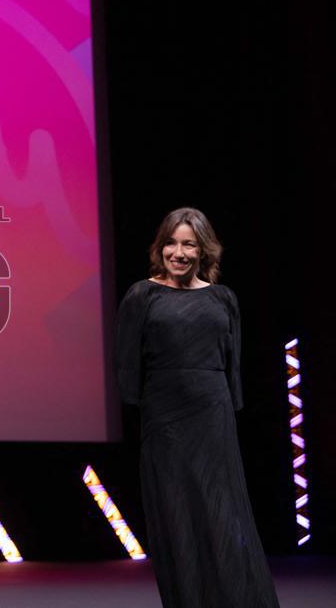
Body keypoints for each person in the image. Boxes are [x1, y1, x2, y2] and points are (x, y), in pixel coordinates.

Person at [116, 207, 279, 607]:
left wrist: (229, 406)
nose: (179, 252)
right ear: (161, 248)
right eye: (172, 243)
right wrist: (143, 408)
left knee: (223, 514)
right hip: (165, 419)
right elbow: (126, 362)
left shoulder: (224, 298)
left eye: (189, 244)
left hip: (212, 416)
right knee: (177, 518)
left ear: (204, 249)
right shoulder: (143, 294)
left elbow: (232, 362)